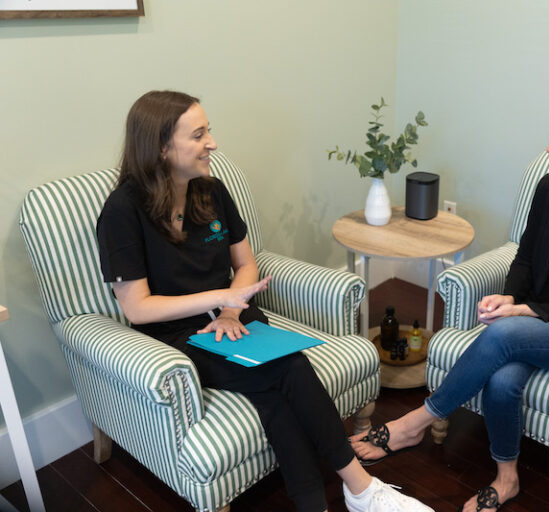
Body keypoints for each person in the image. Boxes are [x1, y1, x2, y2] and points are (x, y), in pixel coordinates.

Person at [96, 90, 434, 512]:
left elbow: (246, 265)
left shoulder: (211, 191)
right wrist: (222, 299)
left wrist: (233, 309)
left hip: (233, 316)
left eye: (209, 131)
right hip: (179, 334)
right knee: (289, 366)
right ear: (162, 148)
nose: (212, 143)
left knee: (275, 391)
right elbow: (138, 307)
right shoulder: (122, 211)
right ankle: (361, 487)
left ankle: (320, 503)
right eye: (199, 135)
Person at [350, 96, 549, 511]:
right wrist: (512, 297)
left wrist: (526, 312)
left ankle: (415, 423)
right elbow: (524, 255)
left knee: (504, 333)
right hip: (544, 318)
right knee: (502, 382)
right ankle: (507, 478)